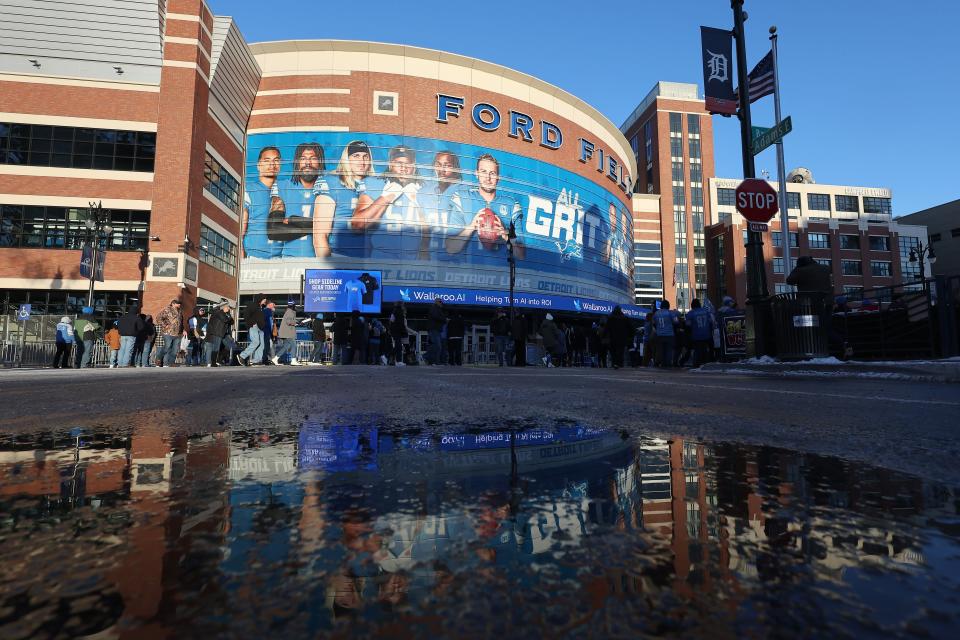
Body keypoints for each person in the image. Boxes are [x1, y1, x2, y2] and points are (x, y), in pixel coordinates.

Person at [445, 154, 524, 263]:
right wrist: (471, 227)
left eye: (492, 173)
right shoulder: (463, 199)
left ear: (498, 177)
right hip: (469, 273)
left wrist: (505, 235)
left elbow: (521, 254)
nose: (488, 178)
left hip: (501, 274)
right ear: (476, 174)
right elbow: (451, 248)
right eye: (483, 172)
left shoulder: (511, 205)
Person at [278, 142, 337, 258]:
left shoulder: (331, 187)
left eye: (313, 158)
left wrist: (292, 220)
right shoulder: (282, 186)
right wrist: (322, 225)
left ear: (320, 161)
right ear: (297, 162)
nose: (308, 163)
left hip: (322, 260)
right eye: (303, 158)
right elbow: (275, 231)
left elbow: (338, 226)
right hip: (289, 261)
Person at [242, 147, 285, 259]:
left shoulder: (285, 190)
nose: (272, 165)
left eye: (276, 160)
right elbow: (240, 231)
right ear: (259, 165)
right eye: (267, 161)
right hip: (255, 258)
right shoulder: (249, 190)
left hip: (280, 260)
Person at [238, 295, 267, 366]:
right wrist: (251, 323)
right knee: (256, 342)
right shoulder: (252, 305)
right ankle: (242, 356)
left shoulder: (261, 307)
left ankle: (256, 360)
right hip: (254, 326)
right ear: (260, 299)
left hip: (261, 328)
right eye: (264, 299)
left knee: (262, 344)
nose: (265, 301)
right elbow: (246, 315)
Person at [154, 299, 185, 367]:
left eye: (180, 303)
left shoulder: (180, 311)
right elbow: (158, 318)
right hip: (168, 332)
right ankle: (158, 359)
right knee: (167, 347)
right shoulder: (167, 310)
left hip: (177, 333)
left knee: (174, 349)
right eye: (178, 303)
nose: (179, 304)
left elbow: (181, 322)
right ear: (173, 303)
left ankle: (171, 363)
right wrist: (165, 325)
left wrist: (183, 330)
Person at [685, 299, 715, 367]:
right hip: (707, 334)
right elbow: (711, 322)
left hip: (696, 335)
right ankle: (706, 363)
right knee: (705, 349)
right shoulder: (706, 311)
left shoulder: (690, 313)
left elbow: (688, 325)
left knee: (697, 351)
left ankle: (696, 364)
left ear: (692, 305)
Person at [204, 300, 234, 367]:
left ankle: (219, 360)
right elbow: (225, 320)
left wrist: (229, 316)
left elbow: (232, 322)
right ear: (223, 307)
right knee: (216, 348)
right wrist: (229, 317)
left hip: (223, 333)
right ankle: (213, 363)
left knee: (229, 345)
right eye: (227, 307)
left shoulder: (225, 313)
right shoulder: (219, 313)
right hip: (217, 332)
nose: (228, 308)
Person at [653, 300, 679, 368]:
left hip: (659, 335)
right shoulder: (671, 313)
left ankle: (662, 363)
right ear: (668, 306)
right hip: (669, 334)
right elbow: (676, 322)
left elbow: (654, 323)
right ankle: (668, 363)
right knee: (669, 350)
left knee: (661, 350)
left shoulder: (656, 313)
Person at [274, 300, 300, 365]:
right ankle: (293, 360)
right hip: (288, 333)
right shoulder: (290, 312)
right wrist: (296, 323)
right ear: (293, 306)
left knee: (286, 346)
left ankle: (275, 358)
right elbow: (289, 322)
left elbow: (290, 320)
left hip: (286, 332)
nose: (296, 307)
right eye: (295, 306)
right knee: (293, 345)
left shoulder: (289, 311)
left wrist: (297, 322)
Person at [389, 302, 410, 367]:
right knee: (399, 346)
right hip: (397, 331)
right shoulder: (399, 312)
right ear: (401, 305)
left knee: (398, 346)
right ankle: (398, 361)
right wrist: (403, 331)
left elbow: (391, 321)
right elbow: (401, 324)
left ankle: (395, 359)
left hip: (395, 331)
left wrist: (391, 329)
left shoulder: (394, 311)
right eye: (403, 305)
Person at [427, 298, 446, 365]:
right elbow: (436, 316)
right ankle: (435, 361)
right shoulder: (434, 308)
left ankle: (432, 361)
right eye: (440, 302)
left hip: (434, 330)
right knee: (437, 346)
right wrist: (444, 319)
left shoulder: (436, 308)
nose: (442, 303)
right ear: (437, 302)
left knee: (432, 346)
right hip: (434, 330)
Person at [262, 300, 277, 365]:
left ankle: (266, 359)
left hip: (268, 331)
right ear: (269, 304)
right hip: (265, 331)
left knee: (268, 346)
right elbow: (265, 321)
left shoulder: (269, 311)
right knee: (267, 346)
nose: (274, 306)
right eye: (272, 304)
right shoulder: (266, 311)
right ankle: (265, 359)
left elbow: (271, 322)